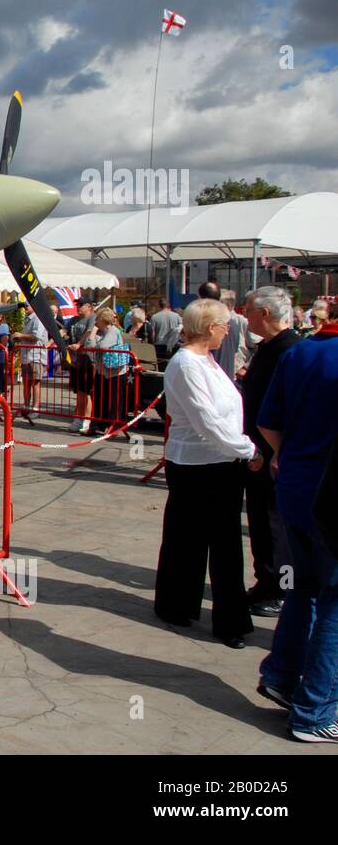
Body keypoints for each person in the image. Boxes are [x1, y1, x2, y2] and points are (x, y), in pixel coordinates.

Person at [153, 299, 257, 648]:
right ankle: (204, 614)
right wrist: (248, 449)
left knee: (216, 542)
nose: (229, 331)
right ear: (210, 327)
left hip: (220, 459)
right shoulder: (186, 364)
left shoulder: (207, 361)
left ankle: (207, 612)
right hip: (200, 464)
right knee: (198, 541)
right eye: (225, 325)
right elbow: (206, 419)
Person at [255, 310, 338, 742]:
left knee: (305, 587)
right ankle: (316, 711)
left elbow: (268, 421)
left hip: (295, 486)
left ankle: (283, 676)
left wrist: (283, 454)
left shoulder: (301, 352)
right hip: (325, 493)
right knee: (333, 601)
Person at [240, 287, 300, 618]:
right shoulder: (266, 348)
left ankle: (283, 589)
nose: (243, 314)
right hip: (256, 453)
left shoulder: (291, 350)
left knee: (280, 529)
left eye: (248, 309)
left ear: (264, 313)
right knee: (261, 523)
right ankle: (265, 582)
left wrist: (279, 451)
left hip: (276, 456)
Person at [81, 306, 131, 436]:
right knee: (99, 398)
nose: (96, 321)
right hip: (103, 371)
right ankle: (97, 425)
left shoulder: (113, 331)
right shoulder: (102, 333)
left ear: (103, 319)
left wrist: (95, 340)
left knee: (113, 400)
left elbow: (102, 346)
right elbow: (88, 345)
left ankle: (113, 426)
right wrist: (94, 335)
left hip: (114, 372)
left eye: (98, 318)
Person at [11, 303, 48, 426]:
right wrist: (18, 338)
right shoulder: (28, 318)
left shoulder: (38, 318)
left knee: (35, 383)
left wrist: (20, 335)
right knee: (26, 382)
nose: (25, 308)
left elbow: (36, 336)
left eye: (27, 306)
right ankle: (26, 406)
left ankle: (35, 408)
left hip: (36, 356)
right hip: (26, 356)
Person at [66, 301, 96, 433]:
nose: (78, 307)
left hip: (88, 358)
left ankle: (87, 419)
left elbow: (89, 332)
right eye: (77, 305)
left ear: (89, 307)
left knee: (86, 390)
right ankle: (78, 418)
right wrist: (50, 342)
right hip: (75, 359)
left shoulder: (93, 317)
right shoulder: (73, 319)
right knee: (78, 391)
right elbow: (63, 330)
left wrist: (78, 344)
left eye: (81, 305)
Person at [151, 298, 183, 364]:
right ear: (168, 305)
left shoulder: (154, 317)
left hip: (159, 345)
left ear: (159, 305)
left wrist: (152, 343)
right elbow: (181, 329)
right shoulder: (176, 316)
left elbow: (152, 333)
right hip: (173, 345)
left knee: (161, 365)